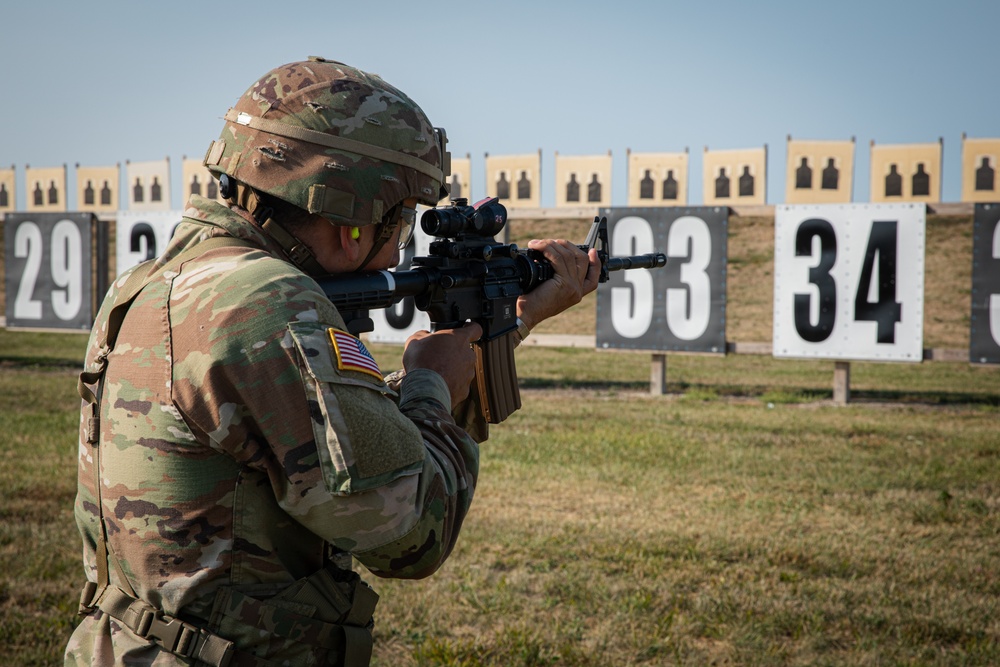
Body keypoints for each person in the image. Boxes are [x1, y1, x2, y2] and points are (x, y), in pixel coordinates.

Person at [65, 57, 600, 666]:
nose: (400, 245)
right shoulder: (266, 303)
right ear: (352, 223)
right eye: (400, 220)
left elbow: (313, 440)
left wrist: (517, 319)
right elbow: (411, 532)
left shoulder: (152, 283)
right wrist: (429, 383)